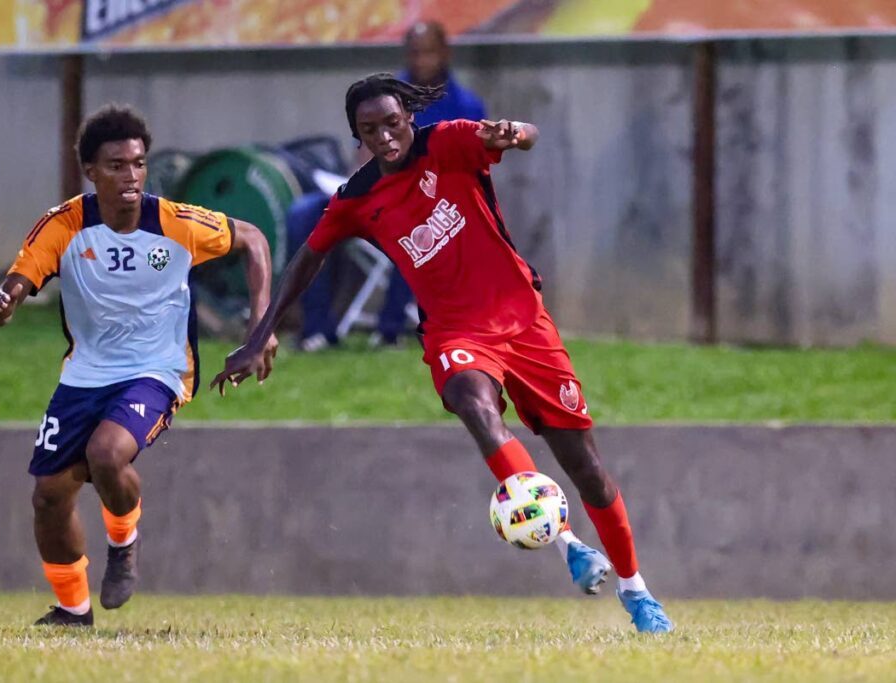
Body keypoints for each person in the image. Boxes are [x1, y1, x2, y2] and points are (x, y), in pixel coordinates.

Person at [215, 74, 673, 633]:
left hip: (524, 324)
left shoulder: (450, 142)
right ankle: (569, 545)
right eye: (369, 130)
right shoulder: (357, 198)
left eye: (391, 123)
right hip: (454, 334)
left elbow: (522, 135)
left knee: (590, 472)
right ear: (356, 135)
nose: (384, 137)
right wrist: (260, 334)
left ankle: (637, 592)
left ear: (409, 116)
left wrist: (515, 131)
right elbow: (306, 261)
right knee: (473, 404)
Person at [0, 104, 277, 627]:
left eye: (139, 163)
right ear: (91, 172)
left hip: (157, 370)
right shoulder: (66, 225)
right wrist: (6, 301)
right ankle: (74, 611)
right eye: (117, 165)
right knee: (49, 498)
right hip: (84, 374)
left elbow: (253, 238)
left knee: (107, 454)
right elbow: (22, 275)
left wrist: (260, 328)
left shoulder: (174, 223)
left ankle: (124, 542)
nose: (131, 176)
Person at [287, 20, 486, 351]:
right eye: (413, 53)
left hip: (424, 206)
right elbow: (364, 151)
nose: (420, 61)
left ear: (444, 54)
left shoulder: (466, 107)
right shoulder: (384, 95)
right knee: (303, 213)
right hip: (369, 195)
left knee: (420, 228)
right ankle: (317, 328)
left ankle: (390, 328)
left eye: (427, 53)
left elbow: (468, 171)